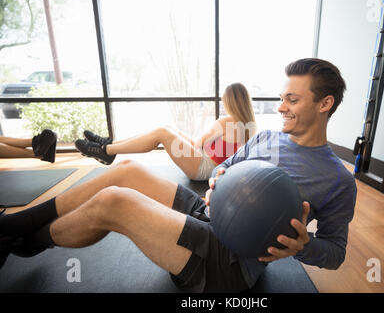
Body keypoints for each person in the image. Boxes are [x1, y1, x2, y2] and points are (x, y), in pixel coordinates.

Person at [0, 58, 357, 293]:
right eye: (282, 98)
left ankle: (29, 242)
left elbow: (336, 252)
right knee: (126, 171)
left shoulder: (337, 180)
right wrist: (218, 179)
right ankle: (16, 227)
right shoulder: (265, 136)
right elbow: (223, 168)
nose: (280, 106)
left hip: (229, 260)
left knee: (115, 202)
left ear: (324, 104)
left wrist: (305, 246)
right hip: (209, 211)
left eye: (292, 100)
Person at [74, 83, 257, 181]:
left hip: (204, 168)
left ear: (229, 101)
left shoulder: (225, 122)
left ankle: (106, 151)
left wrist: (185, 139)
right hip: (210, 164)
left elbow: (198, 144)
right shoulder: (250, 125)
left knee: (163, 132)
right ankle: (108, 144)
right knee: (169, 129)